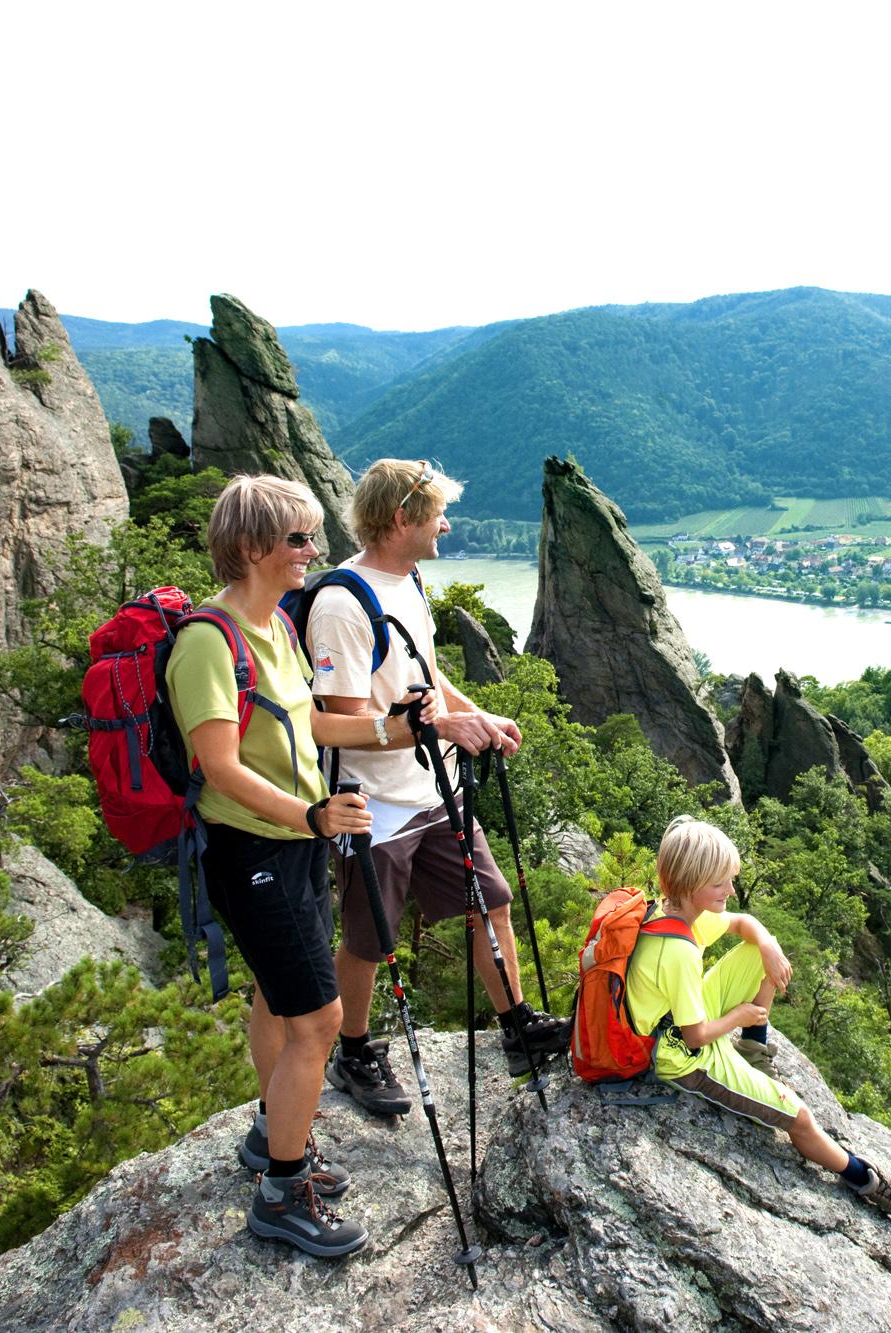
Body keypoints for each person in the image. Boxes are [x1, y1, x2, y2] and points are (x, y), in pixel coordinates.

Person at [166, 474, 396, 1259]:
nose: (312, 551)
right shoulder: (210, 640)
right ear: (253, 545)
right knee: (321, 1020)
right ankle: (282, 1193)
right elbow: (220, 766)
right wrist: (309, 814)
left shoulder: (281, 629)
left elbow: (314, 721)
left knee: (276, 993)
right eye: (298, 539)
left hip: (296, 844)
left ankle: (275, 1134)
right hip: (252, 847)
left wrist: (393, 729)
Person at [307, 458, 571, 1117]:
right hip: (378, 808)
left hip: (436, 789)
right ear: (401, 518)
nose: (446, 525)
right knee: (369, 940)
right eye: (436, 514)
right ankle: (355, 1050)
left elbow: (426, 675)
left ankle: (517, 1029)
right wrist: (435, 726)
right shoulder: (343, 604)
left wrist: (471, 714)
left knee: (493, 904)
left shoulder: (410, 578)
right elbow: (335, 725)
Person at [626, 816, 891, 1220]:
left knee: (761, 948)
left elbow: (743, 923)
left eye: (730, 879)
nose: (730, 890)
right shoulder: (678, 952)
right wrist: (739, 1014)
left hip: (675, 1018)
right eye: (720, 884)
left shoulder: (673, 912)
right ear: (690, 884)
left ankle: (752, 1047)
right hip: (681, 1056)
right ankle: (863, 1178)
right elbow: (695, 1037)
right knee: (799, 1118)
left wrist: (765, 942)